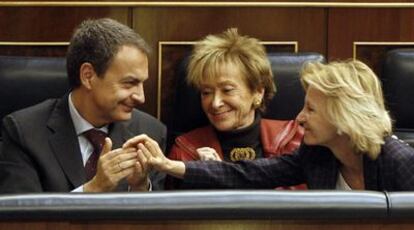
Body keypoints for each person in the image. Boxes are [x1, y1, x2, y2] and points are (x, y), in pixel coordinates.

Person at [127, 59, 414, 191]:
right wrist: (168, 165)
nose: (299, 117)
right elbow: (248, 174)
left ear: (343, 117)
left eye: (310, 109)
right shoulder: (317, 155)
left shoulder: (398, 162)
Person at [0, 18, 166, 193]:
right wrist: (94, 188)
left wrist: (139, 187)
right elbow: (22, 217)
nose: (141, 97)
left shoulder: (150, 132)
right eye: (129, 83)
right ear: (88, 76)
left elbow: (161, 218)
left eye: (142, 84)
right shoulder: (24, 132)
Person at [167, 28, 304, 189]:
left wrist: (219, 176)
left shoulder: (293, 139)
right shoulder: (186, 150)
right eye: (206, 92)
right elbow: (176, 211)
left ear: (258, 92)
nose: (215, 103)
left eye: (227, 90)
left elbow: (301, 208)